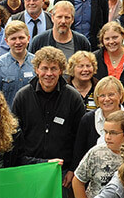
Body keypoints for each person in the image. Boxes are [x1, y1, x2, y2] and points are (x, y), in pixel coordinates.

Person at [12, 46, 85, 188]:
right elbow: (14, 136)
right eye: (44, 68)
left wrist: (73, 169)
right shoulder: (22, 96)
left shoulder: (73, 98)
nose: (49, 73)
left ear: (61, 70)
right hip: (29, 169)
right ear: (36, 69)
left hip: (61, 172)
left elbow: (80, 139)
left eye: (54, 68)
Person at [0, 20, 33, 106]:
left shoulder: (37, 63)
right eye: (13, 39)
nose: (18, 42)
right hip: (7, 117)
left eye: (21, 38)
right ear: (6, 41)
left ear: (28, 38)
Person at [93, 21, 124, 86]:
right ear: (102, 40)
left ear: (122, 36)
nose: (111, 42)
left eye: (115, 37)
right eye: (107, 39)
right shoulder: (95, 58)